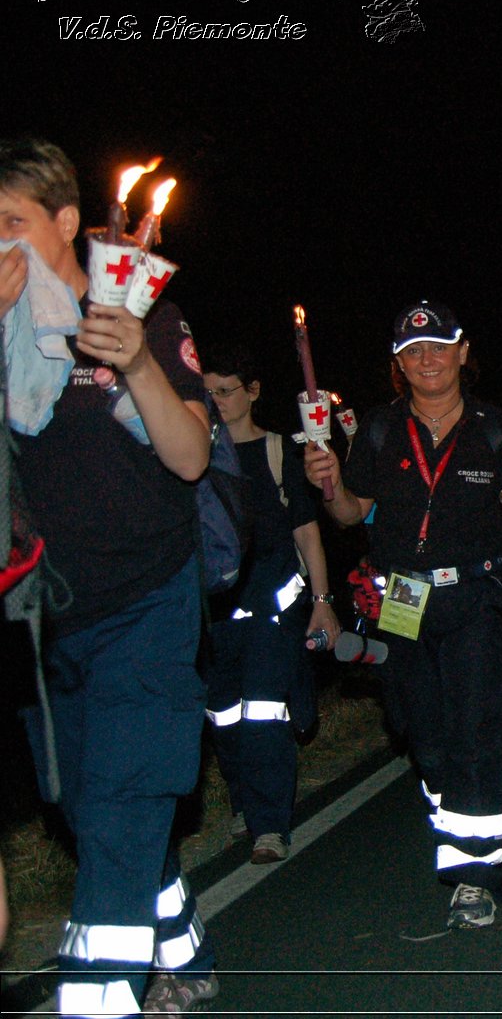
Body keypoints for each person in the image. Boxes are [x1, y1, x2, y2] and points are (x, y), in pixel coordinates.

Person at [2, 137, 220, 1016]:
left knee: (126, 795)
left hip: (150, 598)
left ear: (64, 221)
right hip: (46, 615)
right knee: (89, 805)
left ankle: (95, 998)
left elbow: (192, 455)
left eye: (9, 222)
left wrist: (133, 361)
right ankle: (179, 935)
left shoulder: (140, 313)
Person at [304, 301, 502, 929]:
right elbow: (347, 515)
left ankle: (475, 870)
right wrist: (331, 484)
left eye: (439, 347)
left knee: (475, 729)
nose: (428, 360)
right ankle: (448, 798)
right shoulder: (378, 428)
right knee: (421, 731)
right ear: (399, 362)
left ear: (462, 353)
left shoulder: (497, 428)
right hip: (400, 598)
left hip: (476, 596)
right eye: (414, 351)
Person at [201, 345, 340, 865]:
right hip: (216, 619)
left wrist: (323, 601)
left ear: (253, 391)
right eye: (207, 392)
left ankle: (269, 825)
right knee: (223, 717)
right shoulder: (195, 456)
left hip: (273, 611)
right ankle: (244, 800)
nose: (215, 401)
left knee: (264, 713)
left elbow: (307, 532)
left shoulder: (281, 452)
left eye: (225, 390)